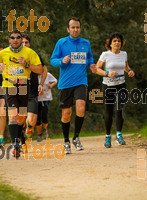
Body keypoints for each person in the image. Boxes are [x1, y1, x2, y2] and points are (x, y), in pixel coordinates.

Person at [0, 30, 42, 157]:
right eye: (13, 37)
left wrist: (27, 64)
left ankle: (19, 137)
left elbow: (39, 69)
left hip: (23, 86)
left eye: (18, 37)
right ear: (9, 39)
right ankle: (15, 144)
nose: (16, 39)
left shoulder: (29, 52)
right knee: (12, 116)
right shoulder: (3, 52)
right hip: (9, 85)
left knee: (21, 118)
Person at [50, 17, 97, 154]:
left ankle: (76, 138)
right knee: (66, 114)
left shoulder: (86, 43)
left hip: (81, 81)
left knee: (81, 109)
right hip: (65, 83)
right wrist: (61, 61)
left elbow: (89, 58)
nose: (75, 29)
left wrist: (91, 65)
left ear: (80, 28)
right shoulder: (61, 42)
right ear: (68, 29)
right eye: (73, 27)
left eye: (77, 27)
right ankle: (66, 141)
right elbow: (53, 60)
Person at [94, 32, 135, 148]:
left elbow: (126, 67)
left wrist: (130, 71)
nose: (117, 43)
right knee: (109, 111)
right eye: (115, 41)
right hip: (108, 85)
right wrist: (108, 73)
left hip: (121, 84)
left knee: (120, 109)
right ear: (110, 44)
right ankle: (108, 137)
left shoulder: (124, 54)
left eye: (119, 41)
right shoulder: (105, 55)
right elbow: (97, 69)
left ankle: (119, 135)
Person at [21, 34, 48, 142]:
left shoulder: (34, 55)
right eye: (22, 42)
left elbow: (44, 70)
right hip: (18, 90)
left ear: (29, 44)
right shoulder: (14, 55)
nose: (24, 44)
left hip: (32, 90)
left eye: (26, 42)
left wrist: (41, 84)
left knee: (31, 120)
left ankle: (28, 129)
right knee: (20, 118)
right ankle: (20, 142)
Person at [36, 72, 58, 142]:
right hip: (37, 99)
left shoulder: (47, 74)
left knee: (44, 115)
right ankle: (39, 134)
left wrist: (51, 85)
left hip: (46, 98)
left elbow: (55, 80)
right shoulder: (33, 75)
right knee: (38, 117)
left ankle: (45, 129)